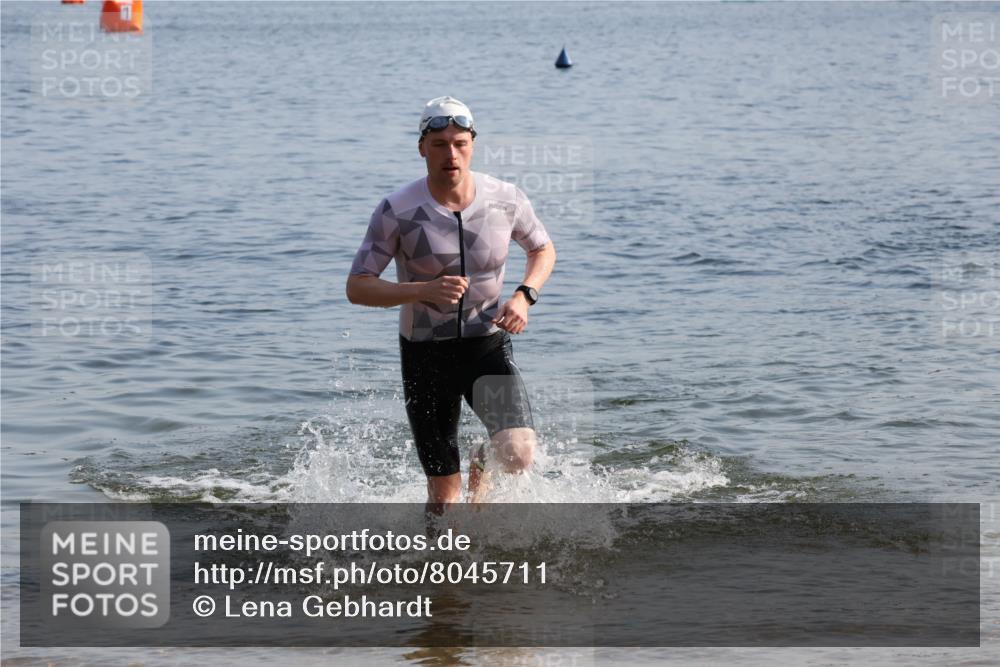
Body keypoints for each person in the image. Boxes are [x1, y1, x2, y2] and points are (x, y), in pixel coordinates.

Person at [346, 96, 556, 509]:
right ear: (422, 148)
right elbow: (358, 286)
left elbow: (543, 250)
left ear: (473, 144)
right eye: (439, 143)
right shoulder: (397, 210)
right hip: (426, 356)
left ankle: (483, 460)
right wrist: (420, 290)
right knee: (445, 499)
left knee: (518, 453)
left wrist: (524, 295)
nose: (451, 154)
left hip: (486, 346)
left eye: (459, 142)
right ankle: (441, 570)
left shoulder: (505, 198)